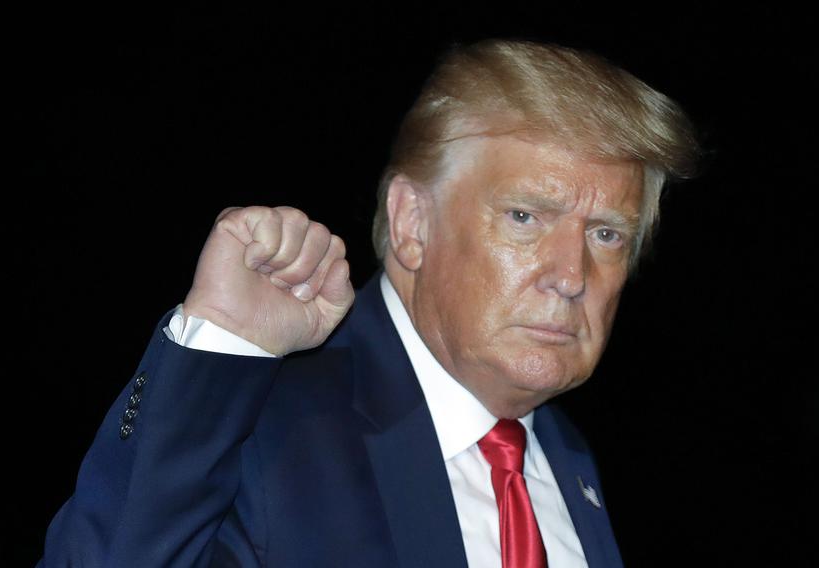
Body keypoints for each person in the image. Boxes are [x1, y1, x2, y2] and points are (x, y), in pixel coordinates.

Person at [40, 39, 698, 567]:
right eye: (526, 216)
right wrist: (225, 341)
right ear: (412, 223)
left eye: (607, 234)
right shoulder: (268, 424)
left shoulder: (569, 461)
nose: (571, 274)